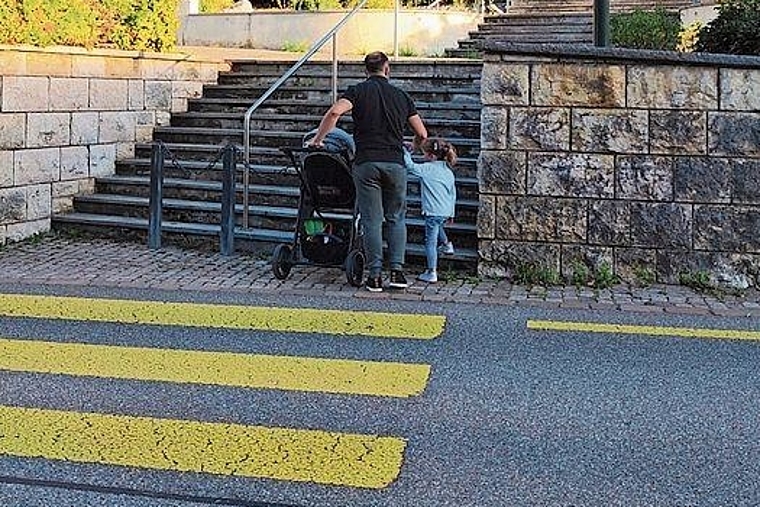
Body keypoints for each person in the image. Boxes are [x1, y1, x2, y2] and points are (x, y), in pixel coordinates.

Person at [308, 51, 428, 292]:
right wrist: (412, 147)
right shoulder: (402, 96)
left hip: (366, 163)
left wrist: (319, 139)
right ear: (387, 68)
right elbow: (422, 134)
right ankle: (397, 271)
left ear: (366, 71)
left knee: (372, 220)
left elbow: (334, 112)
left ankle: (374, 275)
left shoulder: (357, 91)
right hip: (395, 163)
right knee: (396, 218)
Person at [403, 138, 457, 284]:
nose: (423, 156)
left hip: (433, 210)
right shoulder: (448, 171)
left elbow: (410, 166)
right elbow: (452, 193)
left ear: (431, 156)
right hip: (445, 209)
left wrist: (405, 151)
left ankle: (432, 271)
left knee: (430, 242)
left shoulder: (428, 169)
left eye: (424, 154)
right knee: (438, 225)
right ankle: (446, 244)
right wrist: (451, 212)